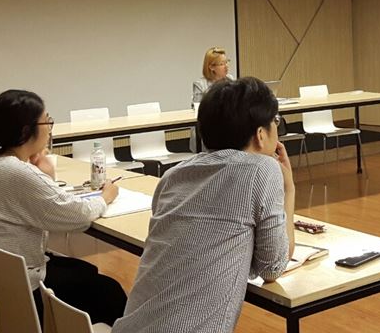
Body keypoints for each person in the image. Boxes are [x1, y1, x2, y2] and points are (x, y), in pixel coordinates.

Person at [113, 77, 294, 333]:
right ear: (260, 135)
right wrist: (289, 190)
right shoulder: (262, 169)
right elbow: (272, 267)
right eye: (275, 121)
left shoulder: (173, 175)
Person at [0, 90, 126, 329]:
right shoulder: (15, 172)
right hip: (11, 295)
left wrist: (43, 175)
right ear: (26, 131)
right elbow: (77, 216)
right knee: (109, 291)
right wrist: (105, 197)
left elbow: (45, 206)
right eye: (47, 121)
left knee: (85, 270)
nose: (50, 129)